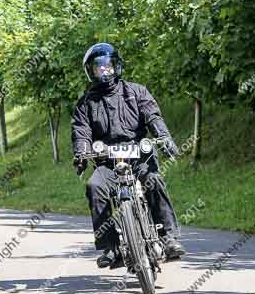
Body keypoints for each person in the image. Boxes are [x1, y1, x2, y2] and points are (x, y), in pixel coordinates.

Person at [71, 42, 186, 268]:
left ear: (116, 66)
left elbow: (153, 116)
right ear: (91, 71)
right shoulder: (86, 103)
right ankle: (111, 247)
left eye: (108, 66)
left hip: (139, 158)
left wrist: (164, 138)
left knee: (154, 180)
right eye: (98, 67)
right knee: (95, 187)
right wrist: (81, 153)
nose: (105, 70)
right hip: (107, 163)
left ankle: (168, 237)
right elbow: (81, 132)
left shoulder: (136, 91)